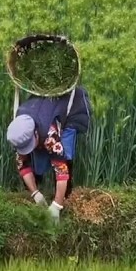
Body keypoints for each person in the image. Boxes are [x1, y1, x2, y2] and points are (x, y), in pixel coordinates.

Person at [6, 85, 91, 223]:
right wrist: (35, 193)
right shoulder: (19, 131)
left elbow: (61, 169)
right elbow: (22, 164)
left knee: (65, 153)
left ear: (35, 133)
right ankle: (40, 193)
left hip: (71, 108)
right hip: (42, 108)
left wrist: (56, 206)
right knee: (36, 159)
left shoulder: (50, 135)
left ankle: (65, 198)